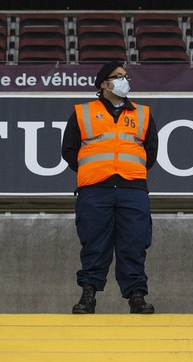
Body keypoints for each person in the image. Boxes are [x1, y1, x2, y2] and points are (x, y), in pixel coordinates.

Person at [61, 59, 158, 315]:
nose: (124, 81)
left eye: (126, 76)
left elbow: (150, 152)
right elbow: (69, 151)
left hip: (132, 189)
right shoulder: (82, 113)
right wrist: (94, 171)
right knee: (94, 244)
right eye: (118, 76)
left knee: (134, 244)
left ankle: (137, 297)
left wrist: (129, 172)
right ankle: (88, 296)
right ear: (104, 84)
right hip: (95, 189)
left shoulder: (142, 113)